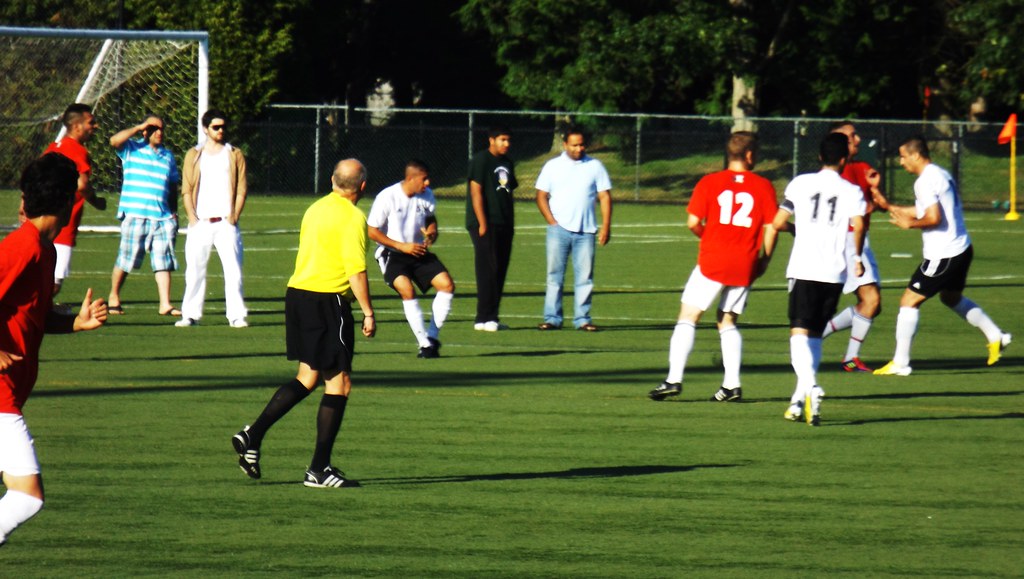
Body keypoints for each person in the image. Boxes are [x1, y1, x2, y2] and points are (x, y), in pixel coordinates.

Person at [231, 159, 375, 488]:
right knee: (339, 383)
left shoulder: (314, 208)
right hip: (327, 301)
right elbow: (355, 270)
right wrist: (367, 310)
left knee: (307, 377)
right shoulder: (353, 217)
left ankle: (252, 435)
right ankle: (319, 470)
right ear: (362, 187)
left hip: (298, 296)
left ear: (332, 180)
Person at [1, 153, 108, 546]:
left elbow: (34, 316)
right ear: (67, 201)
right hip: (0, 398)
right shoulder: (23, 247)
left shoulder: (43, 250)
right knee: (27, 498)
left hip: (11, 394)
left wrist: (75, 322)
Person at [649, 131, 779, 403]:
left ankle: (673, 379)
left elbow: (693, 222)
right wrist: (765, 259)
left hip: (713, 261)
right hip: (745, 263)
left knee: (688, 316)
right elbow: (771, 227)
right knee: (728, 321)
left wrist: (709, 237)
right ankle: (731, 385)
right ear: (750, 155)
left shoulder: (709, 182)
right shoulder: (764, 185)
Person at [874, 136, 1011, 376]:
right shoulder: (939, 173)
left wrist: (910, 225)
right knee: (951, 297)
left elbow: (933, 217)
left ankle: (900, 363)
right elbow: (926, 210)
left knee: (908, 301)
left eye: (903, 156)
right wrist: (889, 206)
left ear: (916, 155)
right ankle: (996, 335)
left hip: (943, 254)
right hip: (962, 248)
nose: (901, 161)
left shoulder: (925, 181)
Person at [772, 133, 866, 426]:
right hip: (835, 271)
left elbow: (777, 221)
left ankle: (811, 387)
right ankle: (797, 403)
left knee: (799, 334)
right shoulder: (852, 191)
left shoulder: (800, 183)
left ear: (819, 157)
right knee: (814, 335)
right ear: (844, 159)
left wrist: (793, 229)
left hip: (804, 268)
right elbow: (859, 225)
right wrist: (858, 258)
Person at [820, 121, 891, 372]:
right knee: (871, 300)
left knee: (873, 305)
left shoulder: (861, 168)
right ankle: (850, 358)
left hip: (859, 240)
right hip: (849, 241)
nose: (858, 139)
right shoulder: (835, 174)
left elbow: (877, 205)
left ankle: (818, 334)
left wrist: (874, 189)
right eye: (852, 136)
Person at [367, 159, 455, 358]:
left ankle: (431, 337)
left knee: (446, 285)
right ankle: (424, 344)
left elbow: (430, 218)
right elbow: (372, 231)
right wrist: (400, 245)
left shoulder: (427, 196)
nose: (427, 184)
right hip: (392, 254)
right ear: (410, 178)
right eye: (423, 179)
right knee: (407, 291)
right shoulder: (387, 196)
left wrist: (431, 233)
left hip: (417, 252)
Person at [535, 125, 613, 331]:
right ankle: (552, 318)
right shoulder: (552, 166)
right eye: (574, 145)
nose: (579, 149)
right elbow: (541, 195)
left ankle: (582, 319)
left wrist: (606, 226)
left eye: (582, 145)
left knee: (585, 278)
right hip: (558, 231)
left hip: (586, 231)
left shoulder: (595, 166)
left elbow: (605, 196)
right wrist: (552, 221)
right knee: (554, 277)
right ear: (565, 144)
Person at [176, 109, 248, 328]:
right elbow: (186, 189)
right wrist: (192, 218)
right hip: (201, 222)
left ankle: (236, 316)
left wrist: (234, 216)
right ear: (205, 129)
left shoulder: (234, 153)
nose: (220, 130)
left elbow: (242, 189)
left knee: (233, 271)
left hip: (226, 223)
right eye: (216, 127)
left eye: (223, 126)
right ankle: (190, 315)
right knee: (194, 271)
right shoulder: (194, 154)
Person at [107, 116, 182, 316]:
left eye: (161, 129)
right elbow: (114, 141)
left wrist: (174, 213)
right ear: (145, 131)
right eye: (154, 128)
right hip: (136, 214)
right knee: (127, 259)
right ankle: (114, 296)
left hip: (163, 217)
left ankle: (165, 303)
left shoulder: (168, 156)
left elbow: (173, 186)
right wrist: (139, 126)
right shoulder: (132, 149)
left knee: (163, 260)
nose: (159, 132)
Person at [42, 103, 107, 295]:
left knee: (42, 274)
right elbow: (82, 185)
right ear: (77, 126)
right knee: (54, 281)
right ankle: (42, 314)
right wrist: (97, 201)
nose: (95, 126)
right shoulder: (77, 150)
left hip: (42, 222)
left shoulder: (54, 147)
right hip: (62, 225)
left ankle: (43, 311)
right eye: (91, 122)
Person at [467, 125, 518, 332]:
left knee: (500, 268)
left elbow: (508, 193)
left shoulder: (507, 162)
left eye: (508, 140)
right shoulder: (481, 160)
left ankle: (492, 317)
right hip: (485, 223)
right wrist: (482, 222)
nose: (506, 144)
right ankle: (483, 317)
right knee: (488, 268)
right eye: (502, 139)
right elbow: (476, 192)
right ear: (491, 140)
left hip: (504, 223)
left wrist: (511, 221)